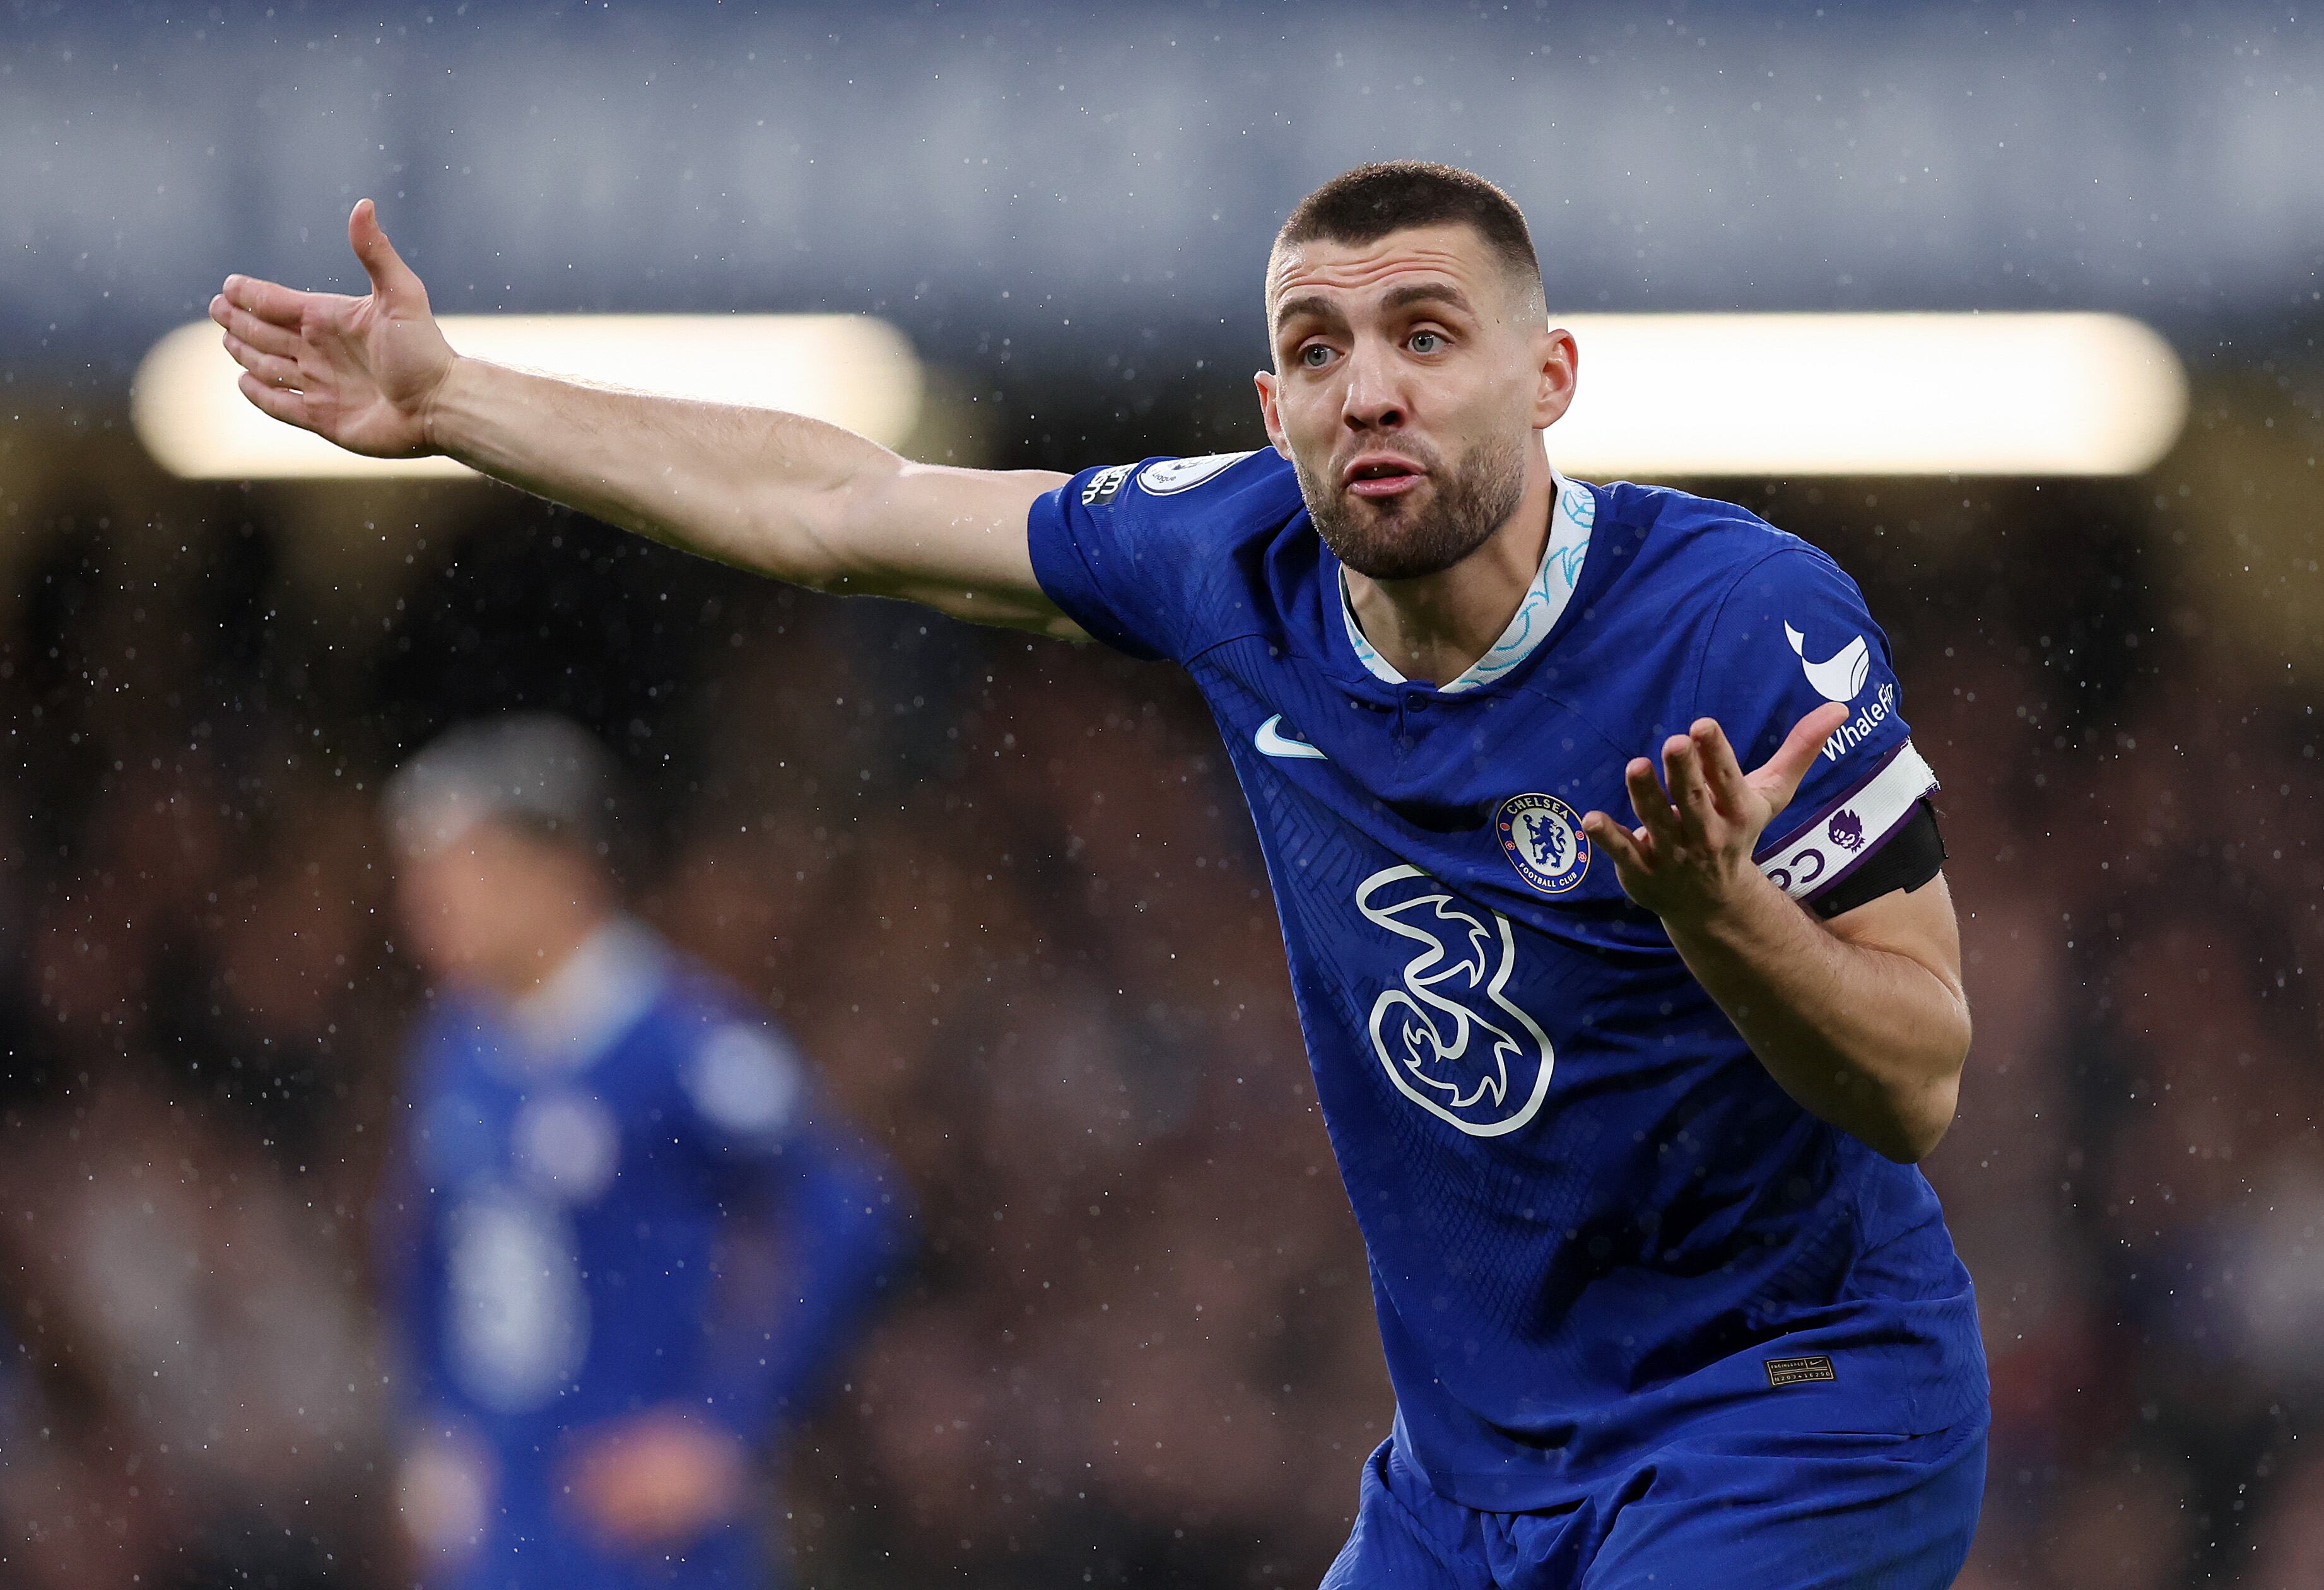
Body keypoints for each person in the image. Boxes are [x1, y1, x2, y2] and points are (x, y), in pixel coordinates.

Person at [218, 161, 1988, 1587]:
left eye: (1424, 335)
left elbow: (1911, 1079)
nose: (1366, 384)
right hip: (1473, 1474)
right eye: (1313, 347)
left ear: (1547, 378)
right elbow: (839, 505)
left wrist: (1726, 917)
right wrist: (462, 403)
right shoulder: (1228, 559)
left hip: (1785, 1407)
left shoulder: (1734, 625)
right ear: (1272, 405)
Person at [375, 715, 910, 1590]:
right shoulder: (456, 1045)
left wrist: (723, 1427)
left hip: (636, 1538)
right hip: (502, 1528)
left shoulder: (678, 1041)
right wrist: (433, 1422)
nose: (427, 903)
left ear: (562, 869)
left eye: (460, 869)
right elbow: (422, 1238)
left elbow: (848, 1211)